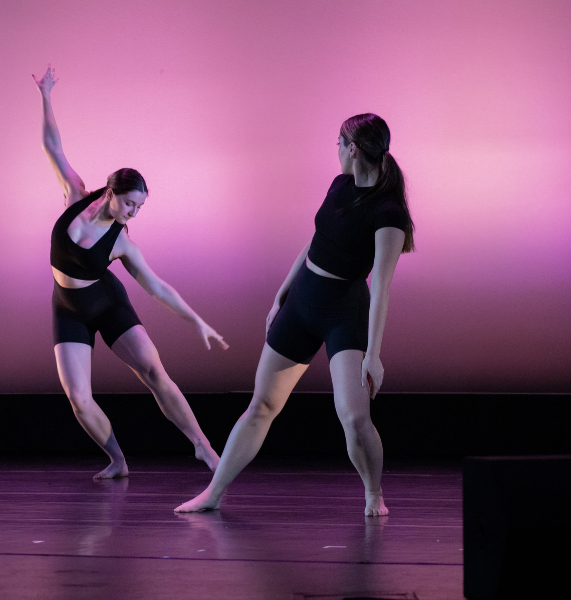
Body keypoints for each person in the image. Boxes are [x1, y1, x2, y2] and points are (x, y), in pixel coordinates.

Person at [175, 114, 415, 516]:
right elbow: (315, 241)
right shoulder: (339, 185)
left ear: (352, 148)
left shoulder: (388, 212)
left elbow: (382, 286)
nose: (336, 151)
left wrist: (373, 354)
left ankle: (374, 493)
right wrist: (282, 294)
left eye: (338, 143)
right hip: (303, 301)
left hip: (344, 312)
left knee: (355, 417)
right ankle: (213, 493)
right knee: (261, 406)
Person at [33, 65, 229, 479]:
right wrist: (46, 95)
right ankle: (118, 461)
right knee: (78, 399)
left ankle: (204, 447)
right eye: (129, 204)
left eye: (139, 207)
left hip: (106, 302)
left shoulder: (122, 242)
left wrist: (196, 320)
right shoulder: (74, 193)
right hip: (68, 307)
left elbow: (156, 287)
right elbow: (53, 146)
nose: (133, 213)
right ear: (110, 193)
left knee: (153, 371)